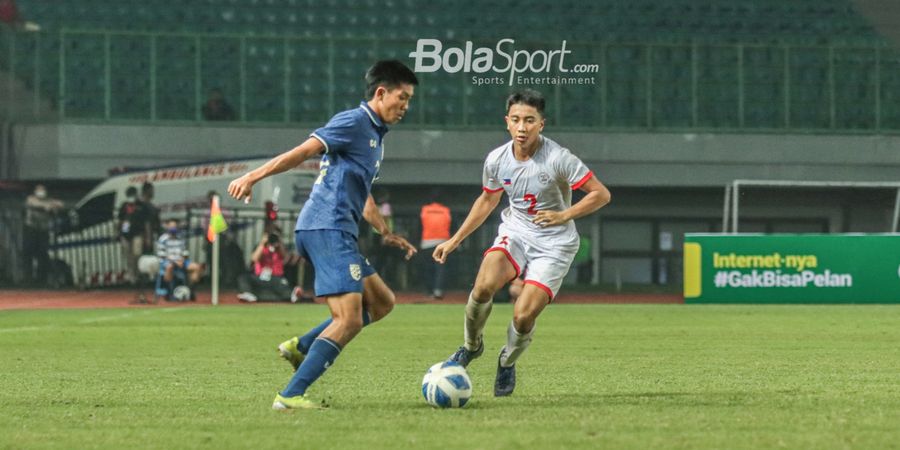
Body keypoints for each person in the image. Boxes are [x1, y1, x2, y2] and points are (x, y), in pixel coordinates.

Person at [227, 59, 418, 410]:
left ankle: (300, 346)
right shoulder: (354, 121)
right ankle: (289, 396)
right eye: (402, 97)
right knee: (349, 320)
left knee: (381, 302)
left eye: (409, 100)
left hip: (335, 228)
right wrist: (252, 177)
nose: (406, 106)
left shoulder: (375, 135)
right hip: (326, 226)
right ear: (381, 93)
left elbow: (364, 195)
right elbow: (303, 152)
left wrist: (385, 232)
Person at [432, 89, 612, 397]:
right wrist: (454, 239)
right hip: (516, 231)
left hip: (555, 243)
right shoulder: (497, 160)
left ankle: (507, 360)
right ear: (507, 122)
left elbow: (601, 194)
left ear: (542, 123)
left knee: (523, 315)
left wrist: (563, 215)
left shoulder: (559, 158)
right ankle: (471, 346)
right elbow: (488, 200)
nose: (522, 127)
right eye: (516, 120)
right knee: (483, 286)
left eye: (530, 120)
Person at [237, 231, 302, 303]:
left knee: (282, 284)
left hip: (275, 278)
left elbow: (286, 258)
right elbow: (254, 259)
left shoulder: (280, 249)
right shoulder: (261, 247)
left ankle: (292, 295)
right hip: (260, 277)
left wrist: (280, 243)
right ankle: (248, 293)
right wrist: (262, 243)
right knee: (243, 278)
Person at [22, 184, 64, 284]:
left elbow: (61, 204)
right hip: (31, 229)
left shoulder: (49, 200)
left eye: (42, 190)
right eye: (39, 190)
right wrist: (46, 207)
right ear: (35, 191)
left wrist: (52, 206)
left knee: (42, 254)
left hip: (43, 230)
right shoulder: (31, 199)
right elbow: (34, 204)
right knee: (28, 253)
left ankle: (41, 279)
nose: (41, 192)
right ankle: (28, 278)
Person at [155, 218, 202, 298]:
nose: (173, 228)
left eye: (174, 226)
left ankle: (189, 290)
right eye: (171, 226)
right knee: (169, 267)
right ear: (167, 227)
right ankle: (170, 292)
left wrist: (182, 260)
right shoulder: (163, 239)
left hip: (181, 261)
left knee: (196, 267)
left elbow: (185, 253)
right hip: (168, 261)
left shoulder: (181, 238)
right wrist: (175, 261)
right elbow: (162, 255)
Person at [419, 192, 451, 299]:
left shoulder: (424, 210)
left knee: (428, 268)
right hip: (442, 243)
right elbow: (453, 226)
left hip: (426, 243)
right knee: (440, 268)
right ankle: (438, 290)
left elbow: (418, 227)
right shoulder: (446, 211)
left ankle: (429, 291)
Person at [117, 186, 144, 284]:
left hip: (137, 233)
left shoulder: (140, 205)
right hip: (126, 234)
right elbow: (120, 220)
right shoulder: (124, 206)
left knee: (137, 254)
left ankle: (138, 273)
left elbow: (143, 220)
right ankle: (131, 276)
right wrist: (118, 232)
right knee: (129, 256)